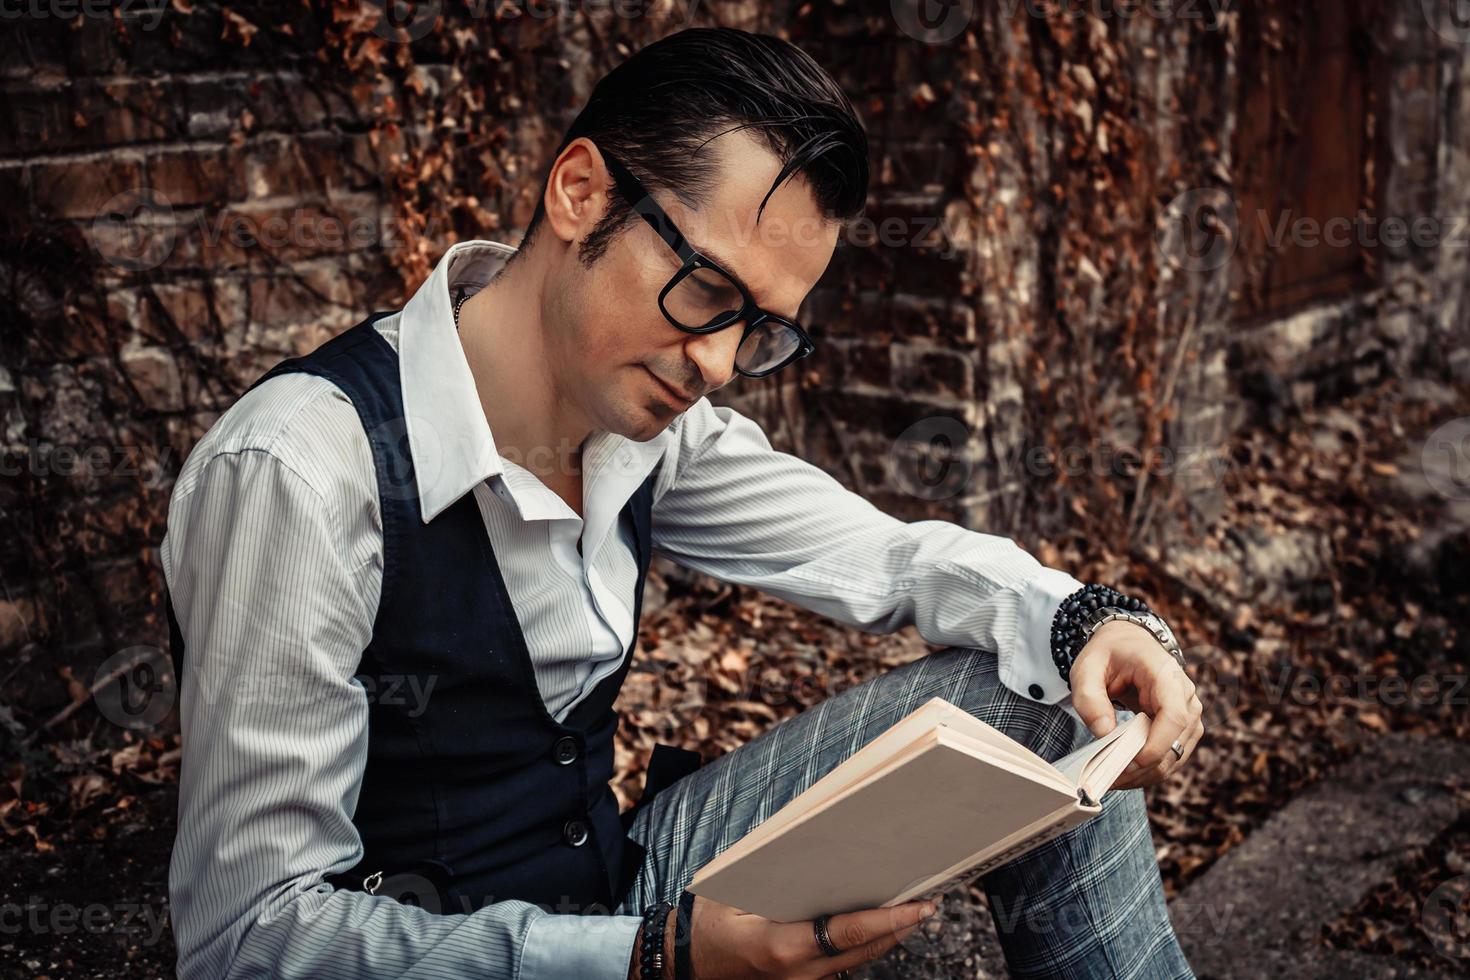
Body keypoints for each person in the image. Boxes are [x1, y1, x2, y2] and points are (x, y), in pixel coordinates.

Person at [162, 26, 1203, 980]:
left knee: (1060, 695)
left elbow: (884, 558)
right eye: (706, 289)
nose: (716, 361)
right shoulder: (299, 471)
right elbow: (251, 938)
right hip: (467, 952)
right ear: (580, 192)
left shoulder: (646, 422)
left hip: (629, 893)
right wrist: (650, 958)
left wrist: (1090, 615)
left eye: (759, 328)